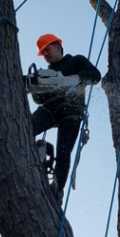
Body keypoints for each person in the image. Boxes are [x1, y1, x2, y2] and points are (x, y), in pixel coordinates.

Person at [31, 34, 101, 205]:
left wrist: (76, 80)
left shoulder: (76, 61)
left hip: (72, 111)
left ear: (58, 46)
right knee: (26, 128)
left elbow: (95, 76)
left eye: (48, 49)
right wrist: (41, 86)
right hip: (51, 107)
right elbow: (37, 99)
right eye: (43, 53)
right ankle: (34, 155)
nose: (46, 54)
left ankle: (57, 188)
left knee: (64, 152)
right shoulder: (46, 74)